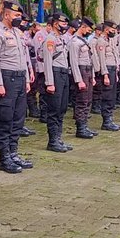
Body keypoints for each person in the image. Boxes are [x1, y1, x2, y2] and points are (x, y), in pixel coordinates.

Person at [0, 0, 34, 174]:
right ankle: (4, 157)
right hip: (6, 79)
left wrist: (27, 80)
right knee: (5, 118)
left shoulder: (18, 33)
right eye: (16, 15)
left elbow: (24, 58)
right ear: (6, 15)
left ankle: (13, 153)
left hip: (20, 78)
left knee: (18, 118)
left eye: (20, 15)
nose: (19, 18)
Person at [42, 13, 74, 152]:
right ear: (55, 24)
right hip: (54, 73)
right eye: (63, 24)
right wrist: (49, 82)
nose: (65, 26)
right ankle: (53, 140)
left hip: (63, 74)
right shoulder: (50, 39)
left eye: (66, 24)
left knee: (62, 108)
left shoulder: (61, 39)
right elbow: (48, 62)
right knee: (54, 109)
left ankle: (58, 138)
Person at [69, 17, 97, 139]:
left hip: (88, 72)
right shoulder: (75, 42)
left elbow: (90, 60)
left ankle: (85, 126)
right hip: (81, 72)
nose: (90, 32)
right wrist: (78, 80)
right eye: (89, 29)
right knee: (82, 101)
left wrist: (93, 76)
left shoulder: (83, 41)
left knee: (88, 100)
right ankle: (80, 128)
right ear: (83, 27)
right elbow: (74, 62)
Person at [91, 22, 120, 131]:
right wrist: (105, 75)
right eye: (112, 31)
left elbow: (115, 55)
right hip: (107, 70)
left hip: (113, 69)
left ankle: (110, 119)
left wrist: (116, 72)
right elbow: (102, 60)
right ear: (107, 30)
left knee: (112, 96)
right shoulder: (101, 41)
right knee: (107, 96)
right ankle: (106, 121)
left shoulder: (110, 40)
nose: (114, 32)